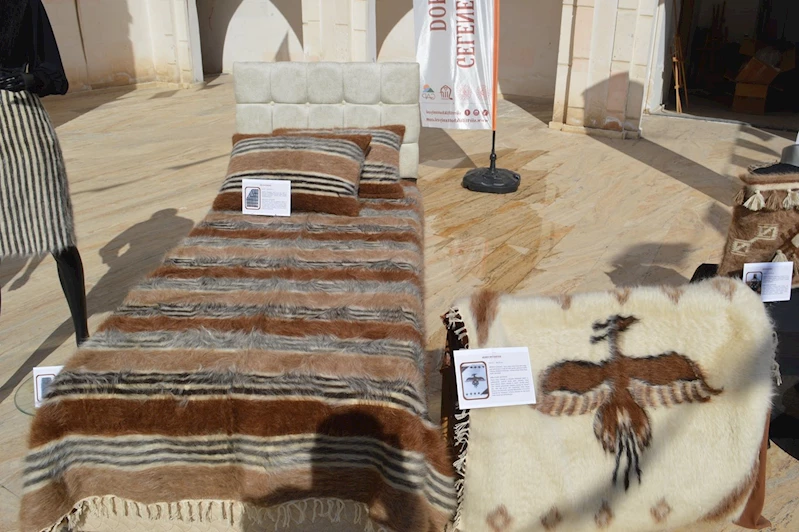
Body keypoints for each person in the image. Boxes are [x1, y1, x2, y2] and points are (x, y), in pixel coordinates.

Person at [0, 0, 88, 345]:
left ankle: (83, 339)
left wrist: (29, 78)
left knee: (57, 234)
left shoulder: (24, 4)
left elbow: (55, 75)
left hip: (21, 121)